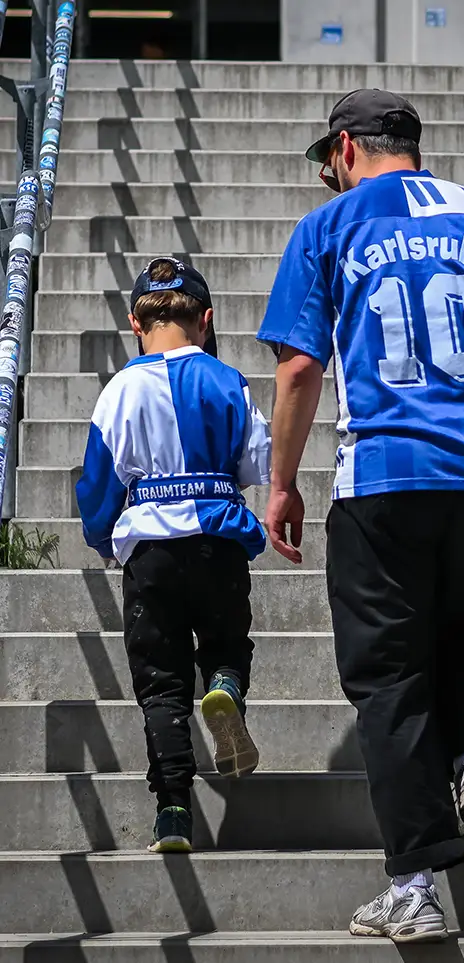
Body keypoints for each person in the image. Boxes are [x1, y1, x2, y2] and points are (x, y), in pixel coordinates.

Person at [257, 89, 464, 942]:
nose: (330, 177)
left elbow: (296, 371)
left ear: (347, 149)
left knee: (389, 676)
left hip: (385, 479)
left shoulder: (328, 229)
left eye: (329, 164)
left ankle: (415, 882)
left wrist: (281, 482)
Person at [77, 257, 271, 853]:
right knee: (226, 641)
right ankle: (225, 687)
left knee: (161, 683)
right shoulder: (229, 380)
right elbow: (254, 462)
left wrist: (105, 535)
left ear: (135, 323)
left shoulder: (119, 391)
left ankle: (174, 811)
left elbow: (97, 486)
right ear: (206, 321)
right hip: (217, 538)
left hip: (151, 548)